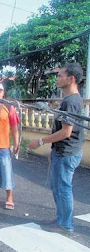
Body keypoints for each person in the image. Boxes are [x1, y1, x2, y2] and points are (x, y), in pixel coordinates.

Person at [28, 63, 84, 233]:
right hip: (62, 151)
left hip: (67, 152)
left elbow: (66, 132)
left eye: (60, 75)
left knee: (63, 188)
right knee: (57, 187)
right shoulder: (67, 100)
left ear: (71, 79)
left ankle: (66, 224)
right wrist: (53, 150)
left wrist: (40, 141)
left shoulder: (72, 102)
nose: (57, 78)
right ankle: (61, 219)